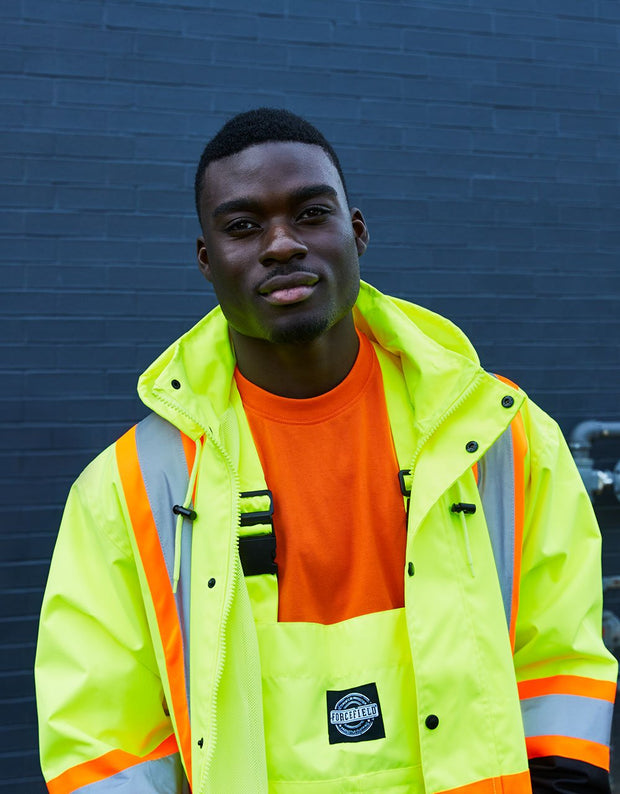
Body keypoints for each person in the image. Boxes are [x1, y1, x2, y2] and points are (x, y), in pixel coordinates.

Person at [36, 108, 617, 794]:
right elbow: (105, 746)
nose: (281, 245)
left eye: (311, 214)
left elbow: (561, 662)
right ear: (205, 259)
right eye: (244, 226)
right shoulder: (127, 491)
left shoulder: (502, 436)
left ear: (358, 231)